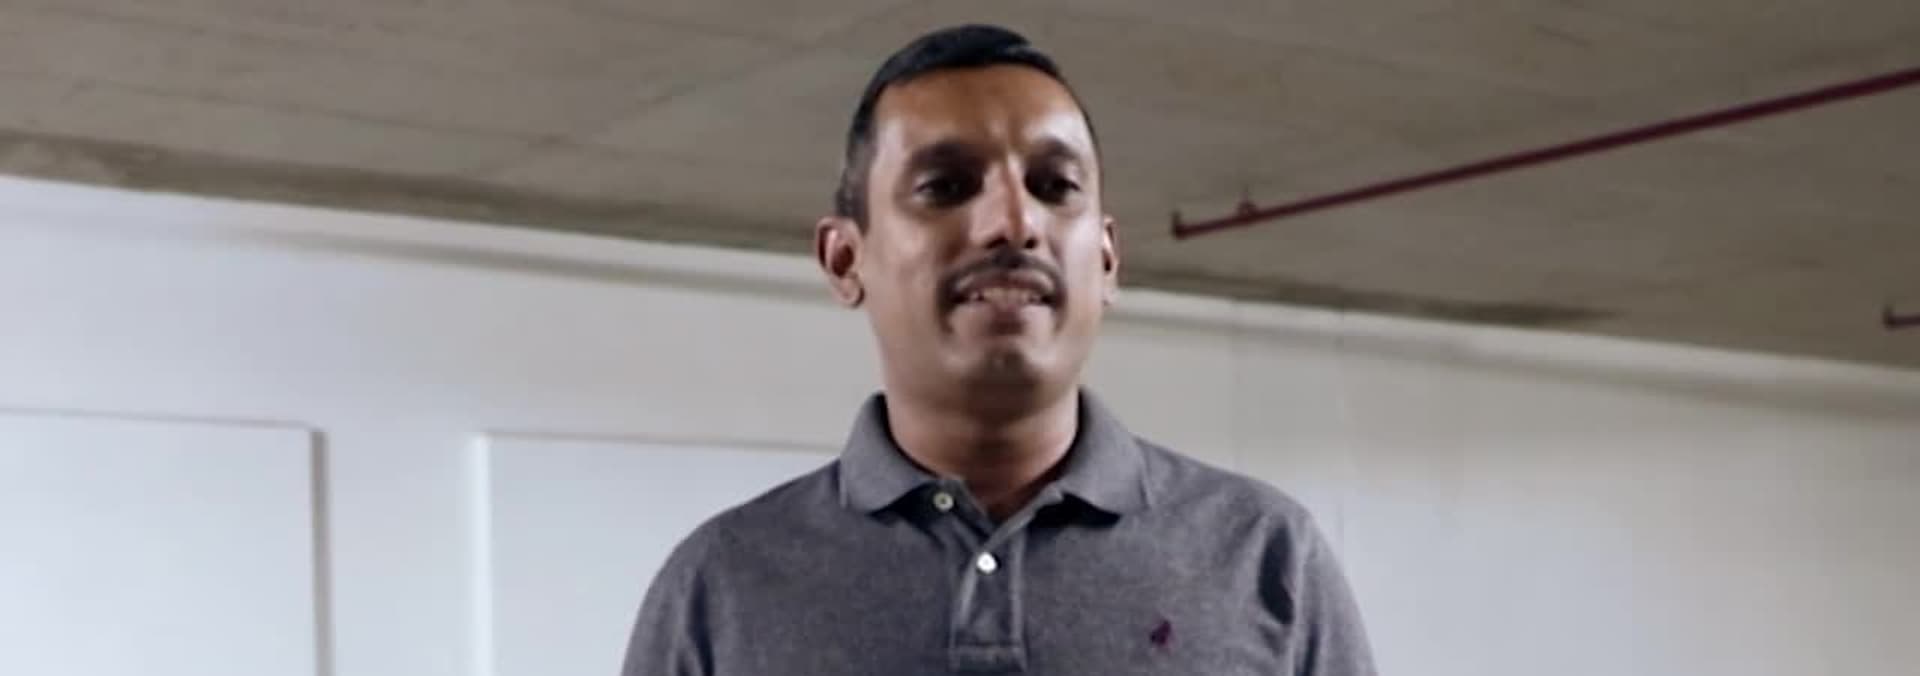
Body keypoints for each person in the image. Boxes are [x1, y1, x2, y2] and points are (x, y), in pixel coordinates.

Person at [622, 24, 1376, 675]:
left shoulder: (1266, 558)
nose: (1014, 223)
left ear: (1107, 258)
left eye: (1055, 185)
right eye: (946, 186)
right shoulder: (721, 586)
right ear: (846, 260)